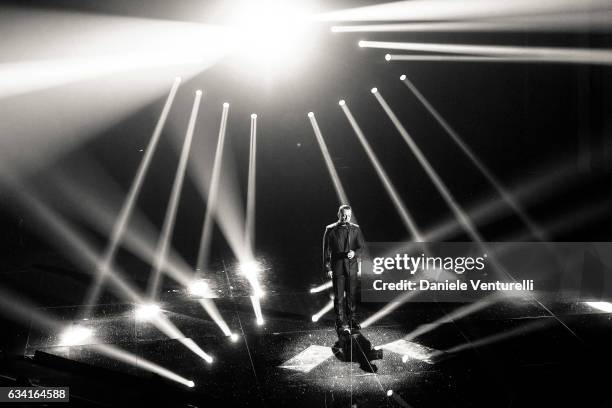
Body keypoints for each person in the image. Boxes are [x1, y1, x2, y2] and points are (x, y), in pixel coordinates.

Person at [323, 204, 365, 335]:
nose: (346, 217)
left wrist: (355, 253)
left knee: (352, 296)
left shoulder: (356, 229)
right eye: (343, 214)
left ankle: (352, 319)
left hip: (352, 267)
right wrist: (328, 268)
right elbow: (326, 251)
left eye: (348, 215)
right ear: (338, 214)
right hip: (337, 268)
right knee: (339, 297)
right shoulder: (330, 229)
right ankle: (340, 321)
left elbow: (361, 247)